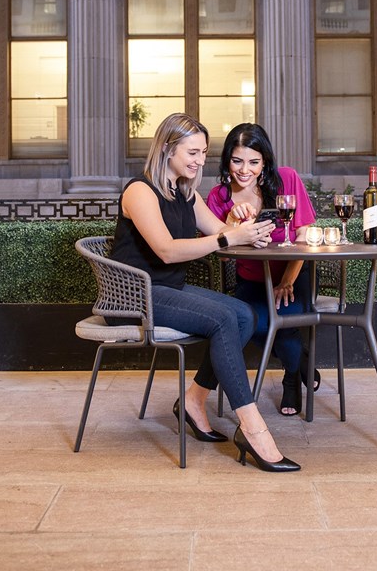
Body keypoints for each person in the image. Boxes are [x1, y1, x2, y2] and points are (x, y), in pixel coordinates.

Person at [110, 112, 299, 472]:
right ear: (167, 149)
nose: (200, 161)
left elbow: (221, 233)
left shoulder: (185, 192)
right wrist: (228, 236)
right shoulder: (140, 191)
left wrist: (249, 231)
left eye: (203, 153)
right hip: (136, 298)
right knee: (225, 317)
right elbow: (166, 249)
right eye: (192, 153)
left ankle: (194, 402)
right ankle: (253, 428)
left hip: (168, 290)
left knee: (246, 314)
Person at [206, 123, 320, 416]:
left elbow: (304, 235)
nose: (245, 170)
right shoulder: (218, 198)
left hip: (293, 276)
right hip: (251, 279)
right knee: (253, 325)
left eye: (254, 162)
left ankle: (291, 379)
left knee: (286, 326)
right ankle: (300, 361)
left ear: (265, 162)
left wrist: (287, 281)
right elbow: (221, 257)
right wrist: (231, 221)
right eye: (237, 161)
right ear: (226, 160)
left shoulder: (287, 179)